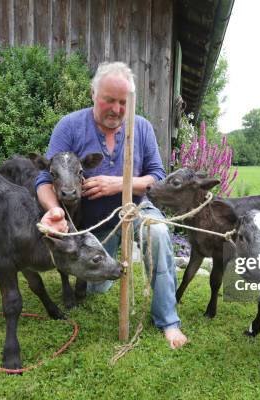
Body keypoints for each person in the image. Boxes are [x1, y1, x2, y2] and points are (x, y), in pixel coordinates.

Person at [35, 62, 187, 349]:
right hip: (91, 224)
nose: (117, 109)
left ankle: (168, 320)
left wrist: (119, 184)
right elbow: (44, 178)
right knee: (97, 287)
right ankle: (95, 277)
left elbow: (157, 177)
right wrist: (54, 210)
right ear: (94, 94)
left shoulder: (140, 127)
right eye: (109, 100)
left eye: (123, 102)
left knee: (158, 233)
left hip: (135, 209)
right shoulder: (69, 126)